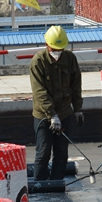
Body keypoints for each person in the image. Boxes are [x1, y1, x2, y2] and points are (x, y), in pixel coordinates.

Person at [30, 25, 83, 181]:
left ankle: (56, 184)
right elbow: (39, 92)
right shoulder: (38, 61)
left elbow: (76, 86)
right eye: (54, 49)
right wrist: (52, 115)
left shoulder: (70, 59)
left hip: (64, 112)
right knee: (43, 152)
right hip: (43, 115)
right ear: (47, 45)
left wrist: (78, 109)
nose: (57, 52)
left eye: (60, 49)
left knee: (61, 153)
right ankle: (40, 185)